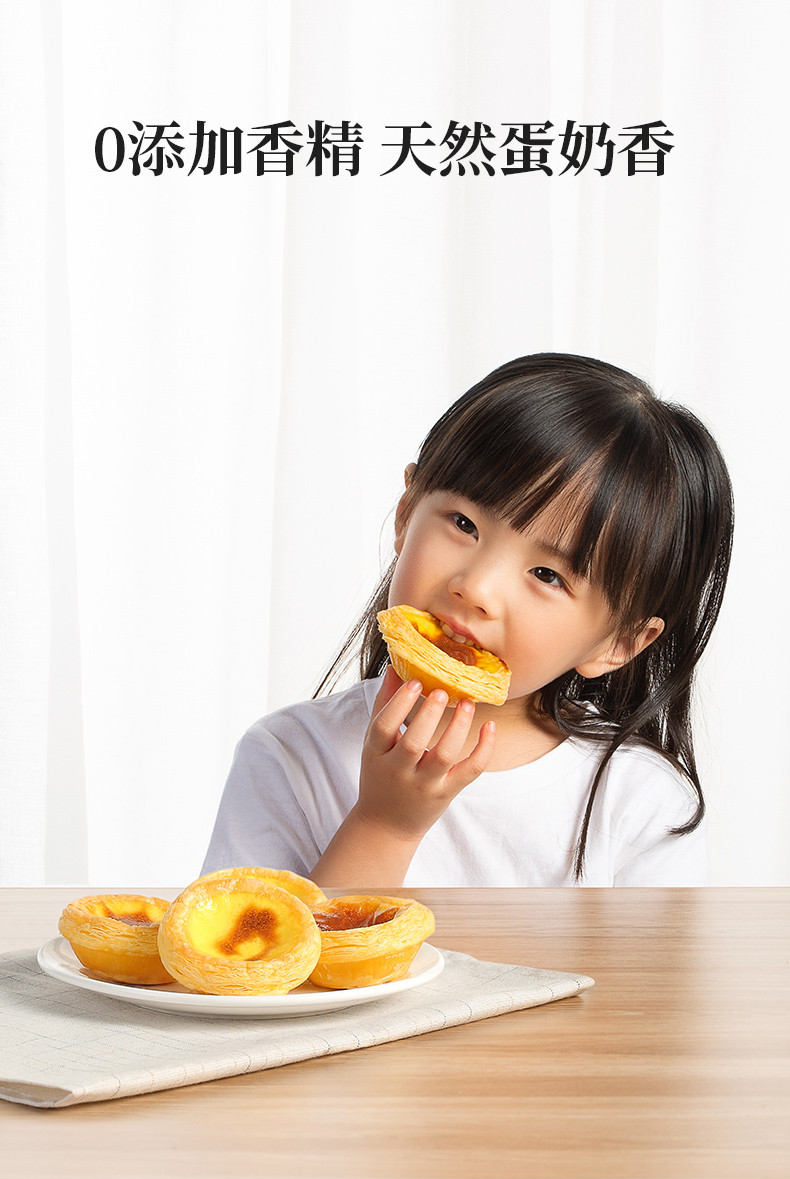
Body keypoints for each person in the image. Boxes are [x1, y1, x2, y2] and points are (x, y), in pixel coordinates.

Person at [203, 353, 734, 887]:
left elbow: (651, 974)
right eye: (463, 523)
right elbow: (253, 966)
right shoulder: (289, 756)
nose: (475, 588)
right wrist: (385, 825)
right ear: (408, 511)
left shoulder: (641, 803)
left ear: (618, 643)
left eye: (548, 575)